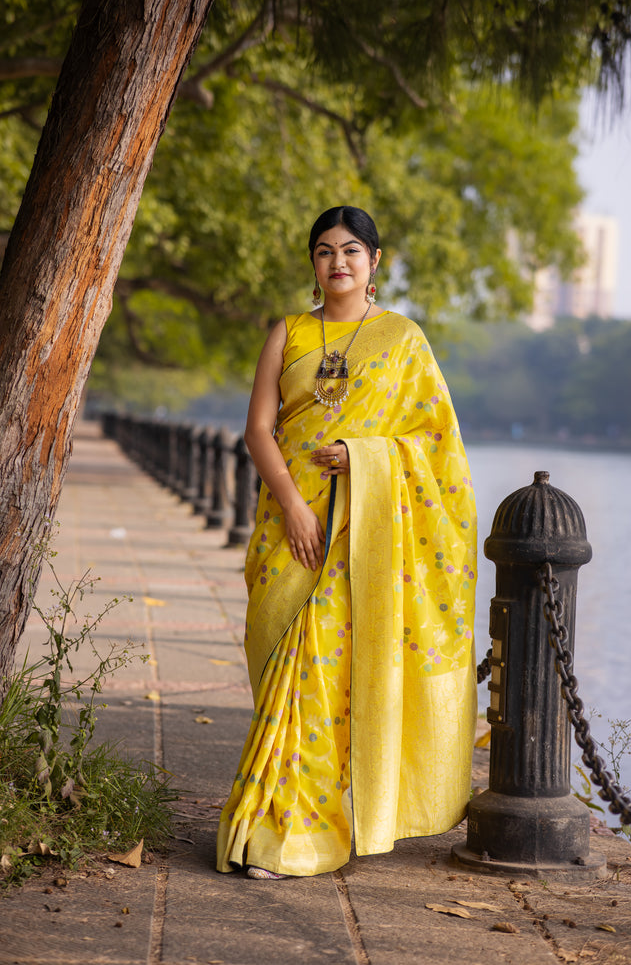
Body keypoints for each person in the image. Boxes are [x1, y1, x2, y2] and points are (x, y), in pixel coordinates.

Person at [216, 206, 477, 880]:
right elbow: (258, 431)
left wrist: (363, 455)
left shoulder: (402, 341)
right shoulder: (289, 331)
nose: (337, 262)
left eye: (351, 251)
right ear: (312, 264)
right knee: (280, 666)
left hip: (361, 537)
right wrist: (296, 506)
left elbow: (434, 446)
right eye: (324, 251)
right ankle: (268, 819)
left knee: (321, 679)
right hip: (289, 522)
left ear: (375, 262)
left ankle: (292, 833)